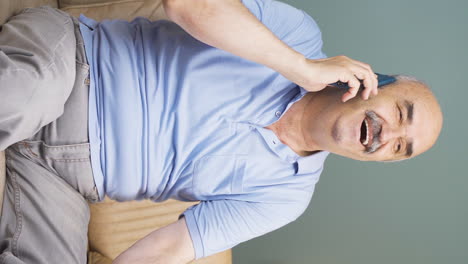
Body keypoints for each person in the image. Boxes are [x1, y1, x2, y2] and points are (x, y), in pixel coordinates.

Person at [0, 0, 442, 263]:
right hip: (72, 65)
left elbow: (171, 248)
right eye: (401, 113)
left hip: (63, 181)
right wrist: (301, 68)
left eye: (401, 149)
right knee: (19, 96)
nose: (390, 138)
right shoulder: (297, 37)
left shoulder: (285, 199)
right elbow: (189, 5)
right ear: (371, 81)